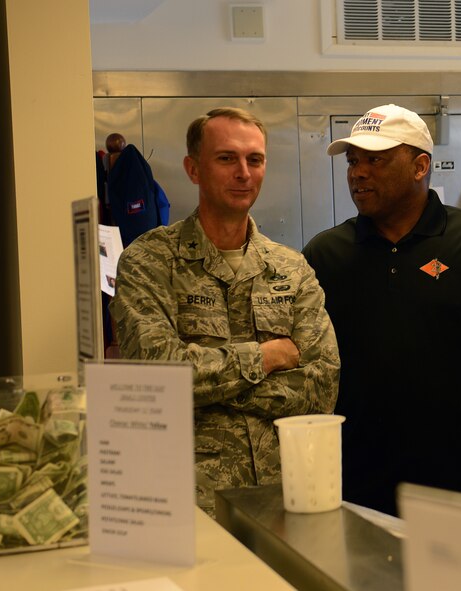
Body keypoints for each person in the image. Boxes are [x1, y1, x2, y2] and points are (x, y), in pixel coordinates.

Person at [302, 104, 461, 516]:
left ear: (420, 166)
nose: (358, 172)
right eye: (352, 161)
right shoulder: (325, 254)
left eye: (375, 160)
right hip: (357, 487)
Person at [110, 107, 340, 515]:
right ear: (193, 168)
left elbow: (320, 386)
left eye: (255, 160)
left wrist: (207, 392)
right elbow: (158, 378)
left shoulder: (290, 268)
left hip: (285, 498)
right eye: (226, 158)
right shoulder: (149, 261)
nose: (243, 173)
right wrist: (265, 357)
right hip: (186, 504)